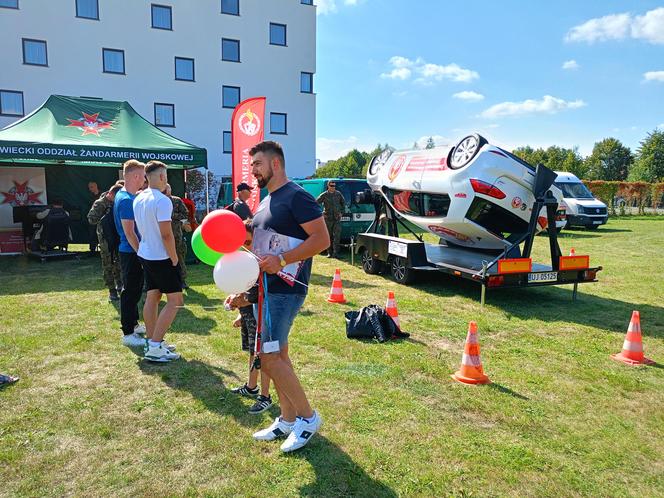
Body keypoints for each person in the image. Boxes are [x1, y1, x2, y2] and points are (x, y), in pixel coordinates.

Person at [249, 141, 330, 452]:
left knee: (269, 357)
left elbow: (321, 239)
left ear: (276, 164)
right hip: (266, 289)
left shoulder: (297, 196)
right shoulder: (266, 200)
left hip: (286, 289)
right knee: (278, 356)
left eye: (258, 163)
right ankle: (286, 419)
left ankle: (307, 418)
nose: (253, 169)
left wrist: (281, 261)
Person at [133, 161, 182, 363]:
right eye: (166, 176)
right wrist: (174, 257)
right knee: (176, 302)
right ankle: (154, 346)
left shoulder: (139, 198)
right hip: (161, 257)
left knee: (153, 296)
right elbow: (166, 235)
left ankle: (154, 341)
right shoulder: (162, 200)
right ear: (162, 177)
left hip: (146, 253)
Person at [226, 220, 273, 414]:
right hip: (248, 315)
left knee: (263, 354)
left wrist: (241, 300)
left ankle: (265, 395)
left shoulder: (263, 260)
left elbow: (257, 293)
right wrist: (239, 310)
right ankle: (252, 386)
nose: (247, 247)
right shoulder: (246, 259)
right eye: (243, 243)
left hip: (261, 315)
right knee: (253, 352)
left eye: (249, 241)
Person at [114, 160, 147, 347]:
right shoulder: (126, 200)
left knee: (134, 289)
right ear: (135, 176)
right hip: (131, 251)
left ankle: (133, 324)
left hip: (131, 250)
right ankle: (127, 332)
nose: (144, 179)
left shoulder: (126, 195)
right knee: (130, 291)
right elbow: (129, 232)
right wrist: (141, 253)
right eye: (143, 176)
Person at [87, 182, 124, 301]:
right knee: (108, 264)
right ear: (111, 194)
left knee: (119, 262)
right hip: (105, 238)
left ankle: (120, 284)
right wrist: (104, 216)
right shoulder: (100, 203)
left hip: (117, 235)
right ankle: (112, 290)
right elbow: (91, 219)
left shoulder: (117, 202)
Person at [164, 184, 191, 289]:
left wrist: (172, 216)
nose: (167, 190)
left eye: (168, 188)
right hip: (162, 234)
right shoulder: (158, 201)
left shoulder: (176, 200)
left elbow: (185, 214)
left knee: (179, 257)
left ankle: (182, 280)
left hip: (176, 234)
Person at [316, 180, 346, 258]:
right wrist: (321, 213)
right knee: (328, 236)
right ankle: (329, 252)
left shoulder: (338, 194)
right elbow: (315, 204)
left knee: (337, 236)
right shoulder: (324, 195)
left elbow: (343, 204)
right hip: (328, 218)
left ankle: (336, 253)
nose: (333, 187)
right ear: (328, 186)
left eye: (334, 186)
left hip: (337, 218)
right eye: (332, 186)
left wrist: (341, 213)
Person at [87, 181, 101, 254]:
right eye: (89, 187)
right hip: (93, 218)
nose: (90, 189)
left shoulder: (102, 195)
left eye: (91, 187)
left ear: (95, 186)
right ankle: (92, 251)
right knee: (92, 234)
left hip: (101, 219)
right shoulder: (90, 196)